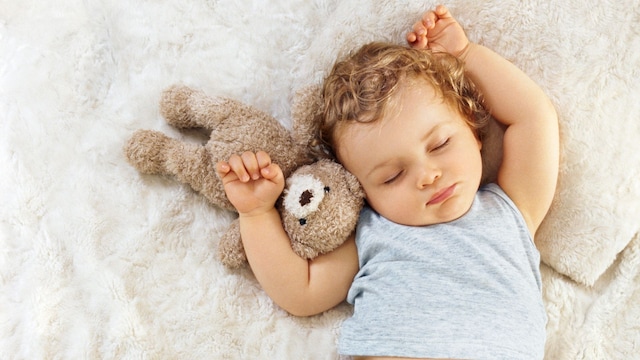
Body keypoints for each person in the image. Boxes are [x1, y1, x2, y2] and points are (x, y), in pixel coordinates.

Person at [216, 4, 558, 359]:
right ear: (362, 190)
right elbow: (300, 292)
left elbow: (533, 117)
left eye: (440, 144)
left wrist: (464, 55)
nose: (427, 176)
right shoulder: (375, 232)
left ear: (472, 125)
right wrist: (256, 213)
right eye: (393, 177)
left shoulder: (511, 209)